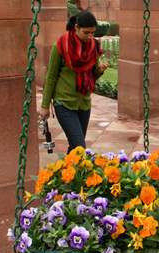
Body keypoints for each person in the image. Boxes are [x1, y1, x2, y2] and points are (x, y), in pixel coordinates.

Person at [38, 10, 108, 153]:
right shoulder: (61, 45)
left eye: (92, 33)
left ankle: (68, 174)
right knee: (79, 147)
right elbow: (51, 76)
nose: (90, 36)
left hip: (84, 103)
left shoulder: (93, 46)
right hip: (64, 103)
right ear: (76, 27)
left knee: (75, 147)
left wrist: (99, 71)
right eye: (86, 32)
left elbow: (92, 77)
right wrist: (45, 106)